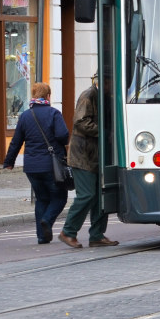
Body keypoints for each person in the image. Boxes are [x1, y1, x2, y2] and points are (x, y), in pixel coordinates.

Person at [2, 82, 69, 244]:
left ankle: (42, 236)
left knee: (41, 199)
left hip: (31, 166)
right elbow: (63, 135)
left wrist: (9, 161)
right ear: (48, 96)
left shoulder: (25, 115)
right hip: (50, 165)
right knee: (60, 197)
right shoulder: (54, 113)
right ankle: (47, 219)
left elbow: (16, 141)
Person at [59, 75, 118, 248]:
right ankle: (68, 231)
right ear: (102, 81)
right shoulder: (89, 95)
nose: (111, 85)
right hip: (83, 156)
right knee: (87, 195)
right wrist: (105, 132)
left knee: (101, 195)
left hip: (97, 155)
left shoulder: (106, 97)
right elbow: (80, 121)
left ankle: (97, 235)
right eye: (109, 82)